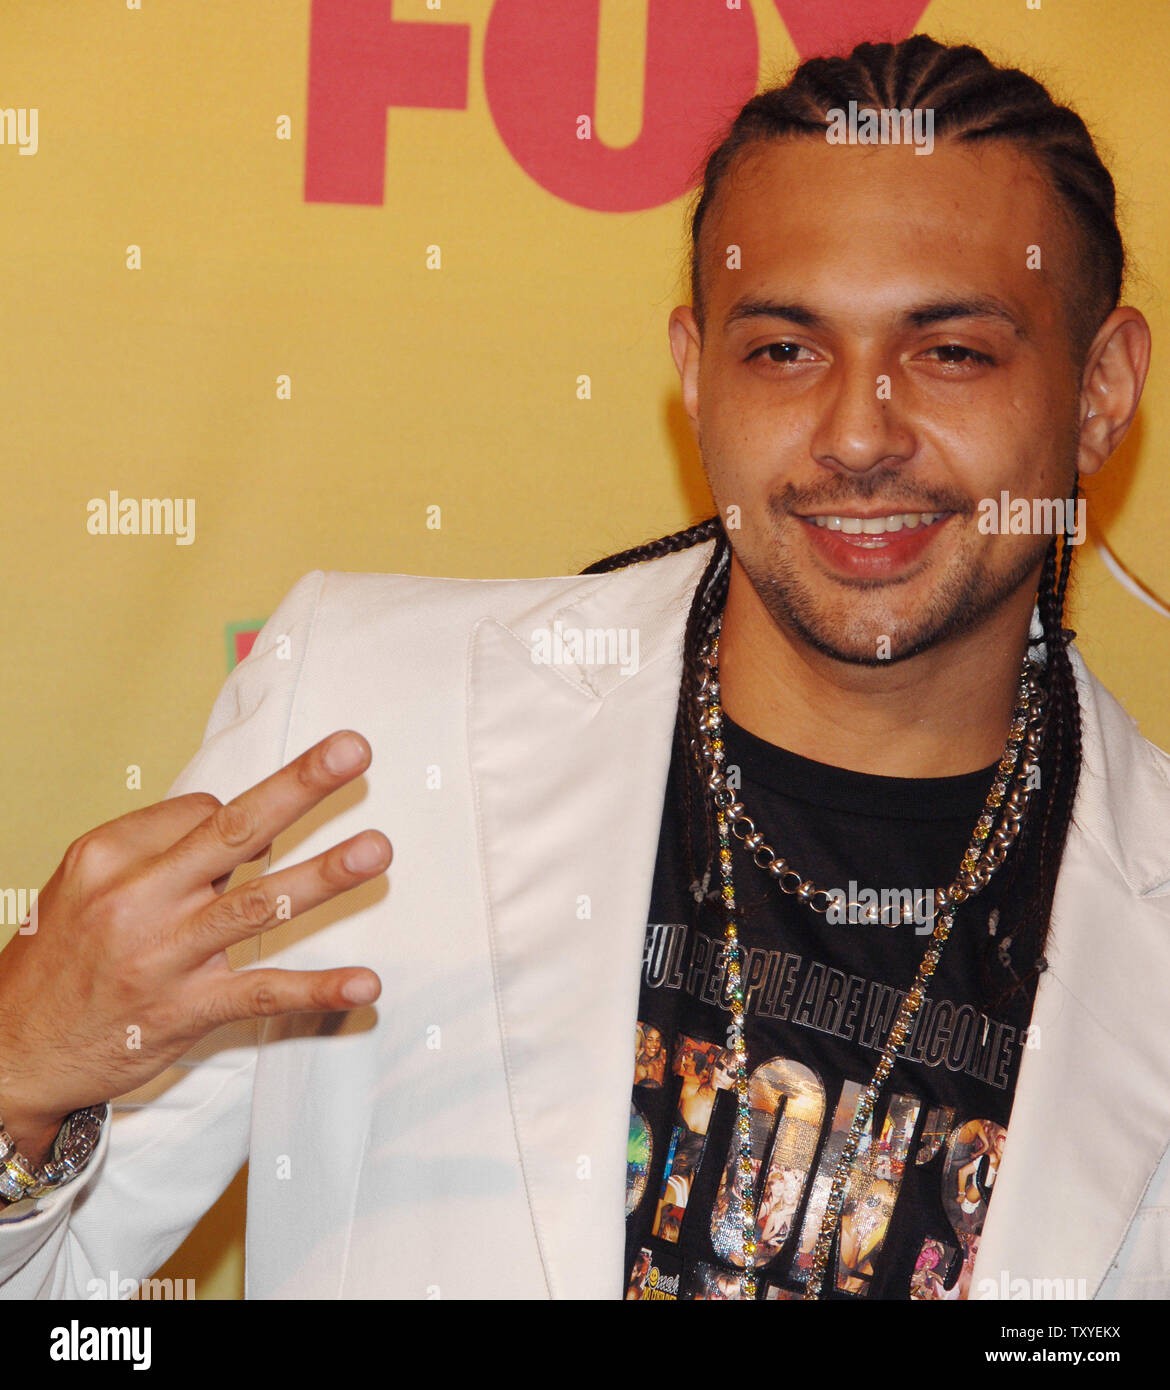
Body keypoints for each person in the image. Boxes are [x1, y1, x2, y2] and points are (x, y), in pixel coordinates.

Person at [0, 33, 1167, 1301]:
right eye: (784, 349)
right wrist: (15, 1077)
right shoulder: (377, 733)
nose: (857, 433)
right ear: (693, 375)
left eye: (950, 352)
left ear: (1102, 388)